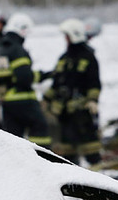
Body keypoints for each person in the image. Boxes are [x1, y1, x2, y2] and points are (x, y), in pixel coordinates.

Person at [42, 18, 102, 165]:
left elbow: (94, 82)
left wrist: (93, 101)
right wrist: (45, 100)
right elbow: (57, 83)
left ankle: (99, 182)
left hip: (82, 113)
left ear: (74, 36)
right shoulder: (64, 58)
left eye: (67, 36)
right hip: (64, 115)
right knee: (67, 154)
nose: (65, 40)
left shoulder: (88, 58)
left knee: (91, 151)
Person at [0, 13, 51, 148]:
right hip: (24, 99)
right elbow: (25, 77)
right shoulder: (17, 49)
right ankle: (43, 160)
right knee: (40, 127)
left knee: (13, 138)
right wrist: (42, 76)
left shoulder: (0, 48)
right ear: (22, 30)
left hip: (6, 102)